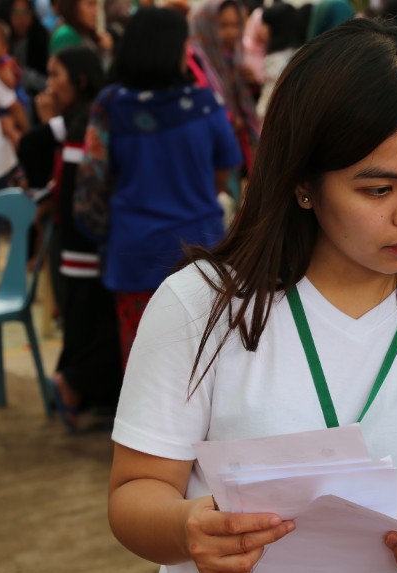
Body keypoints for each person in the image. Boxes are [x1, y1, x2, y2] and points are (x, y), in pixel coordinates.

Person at [106, 18, 397, 573]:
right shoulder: (202, 307)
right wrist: (189, 528)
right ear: (304, 184)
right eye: (378, 188)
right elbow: (135, 491)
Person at [73, 7, 243, 368]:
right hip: (201, 255)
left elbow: (92, 183)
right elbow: (224, 172)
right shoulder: (205, 105)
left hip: (135, 256)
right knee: (205, 366)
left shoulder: (110, 107)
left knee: (143, 368)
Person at [17, 45, 119, 433]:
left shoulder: (83, 116)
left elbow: (33, 148)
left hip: (80, 246)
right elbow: (31, 147)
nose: (50, 84)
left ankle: (75, 391)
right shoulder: (82, 120)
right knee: (91, 325)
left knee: (85, 325)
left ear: (80, 79)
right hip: (84, 245)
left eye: (56, 75)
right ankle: (73, 386)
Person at [189, 0, 260, 173]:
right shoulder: (195, 62)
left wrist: (253, 85)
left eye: (236, 25)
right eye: (223, 25)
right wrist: (228, 120)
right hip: (209, 153)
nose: (232, 32)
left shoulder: (232, 58)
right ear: (206, 24)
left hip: (235, 146)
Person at [49, 0, 113, 61]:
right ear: (73, 6)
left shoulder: (85, 33)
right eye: (90, 4)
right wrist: (105, 50)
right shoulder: (65, 35)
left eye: (96, 4)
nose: (96, 12)